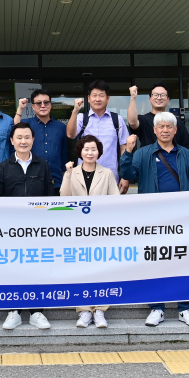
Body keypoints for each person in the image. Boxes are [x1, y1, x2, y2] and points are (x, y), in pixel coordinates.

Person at [119, 111, 189, 328]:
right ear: (154, 130)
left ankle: (185, 307)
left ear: (175, 130)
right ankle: (157, 307)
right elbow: (128, 174)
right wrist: (128, 152)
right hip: (152, 217)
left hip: (182, 216)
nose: (165, 130)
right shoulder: (143, 153)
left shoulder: (185, 154)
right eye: (161, 127)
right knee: (154, 261)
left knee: (183, 260)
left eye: (169, 126)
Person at [0, 122, 54, 330]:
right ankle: (14, 311)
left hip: (37, 228)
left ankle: (36, 312)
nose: (23, 141)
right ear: (12, 141)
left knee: (37, 267)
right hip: (11, 228)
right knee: (13, 268)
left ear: (33, 140)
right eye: (19, 137)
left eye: (27, 137)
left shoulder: (43, 165)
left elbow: (49, 196)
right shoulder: (4, 166)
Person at [61, 135, 120, 329]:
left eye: (93, 149)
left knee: (101, 269)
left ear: (99, 152)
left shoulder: (107, 173)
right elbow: (64, 197)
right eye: (86, 149)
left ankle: (100, 310)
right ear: (80, 151)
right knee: (80, 269)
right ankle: (84, 310)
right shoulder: (72, 172)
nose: (90, 153)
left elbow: (115, 200)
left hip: (101, 229)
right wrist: (68, 174)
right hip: (77, 229)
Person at [66, 80, 130, 192]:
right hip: (84, 177)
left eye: (101, 95)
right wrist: (75, 111)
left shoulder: (117, 119)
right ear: (89, 98)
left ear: (108, 99)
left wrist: (125, 176)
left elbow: (124, 148)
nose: (98, 99)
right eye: (94, 95)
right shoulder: (82, 118)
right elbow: (70, 134)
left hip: (110, 176)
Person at [14, 88, 69, 189]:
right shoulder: (27, 124)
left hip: (56, 179)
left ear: (51, 104)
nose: (43, 106)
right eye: (39, 103)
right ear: (33, 106)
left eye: (46, 102)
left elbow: (63, 154)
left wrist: (65, 177)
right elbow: (16, 129)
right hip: (31, 179)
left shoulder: (61, 126)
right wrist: (20, 109)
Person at [127, 83, 189, 148]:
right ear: (150, 99)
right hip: (149, 154)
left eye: (163, 95)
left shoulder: (176, 121)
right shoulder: (143, 120)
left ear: (168, 99)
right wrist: (133, 97)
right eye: (155, 95)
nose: (159, 98)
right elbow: (132, 122)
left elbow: (186, 145)